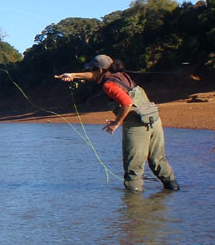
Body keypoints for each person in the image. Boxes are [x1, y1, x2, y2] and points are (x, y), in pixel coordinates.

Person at [56, 55, 180, 192]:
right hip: (154, 120)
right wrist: (73, 75)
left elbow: (127, 103)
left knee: (133, 167)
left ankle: (133, 205)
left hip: (137, 125)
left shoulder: (108, 85)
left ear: (101, 70)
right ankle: (172, 188)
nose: (91, 72)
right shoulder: (120, 75)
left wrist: (116, 122)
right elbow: (93, 76)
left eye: (92, 69)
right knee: (158, 160)